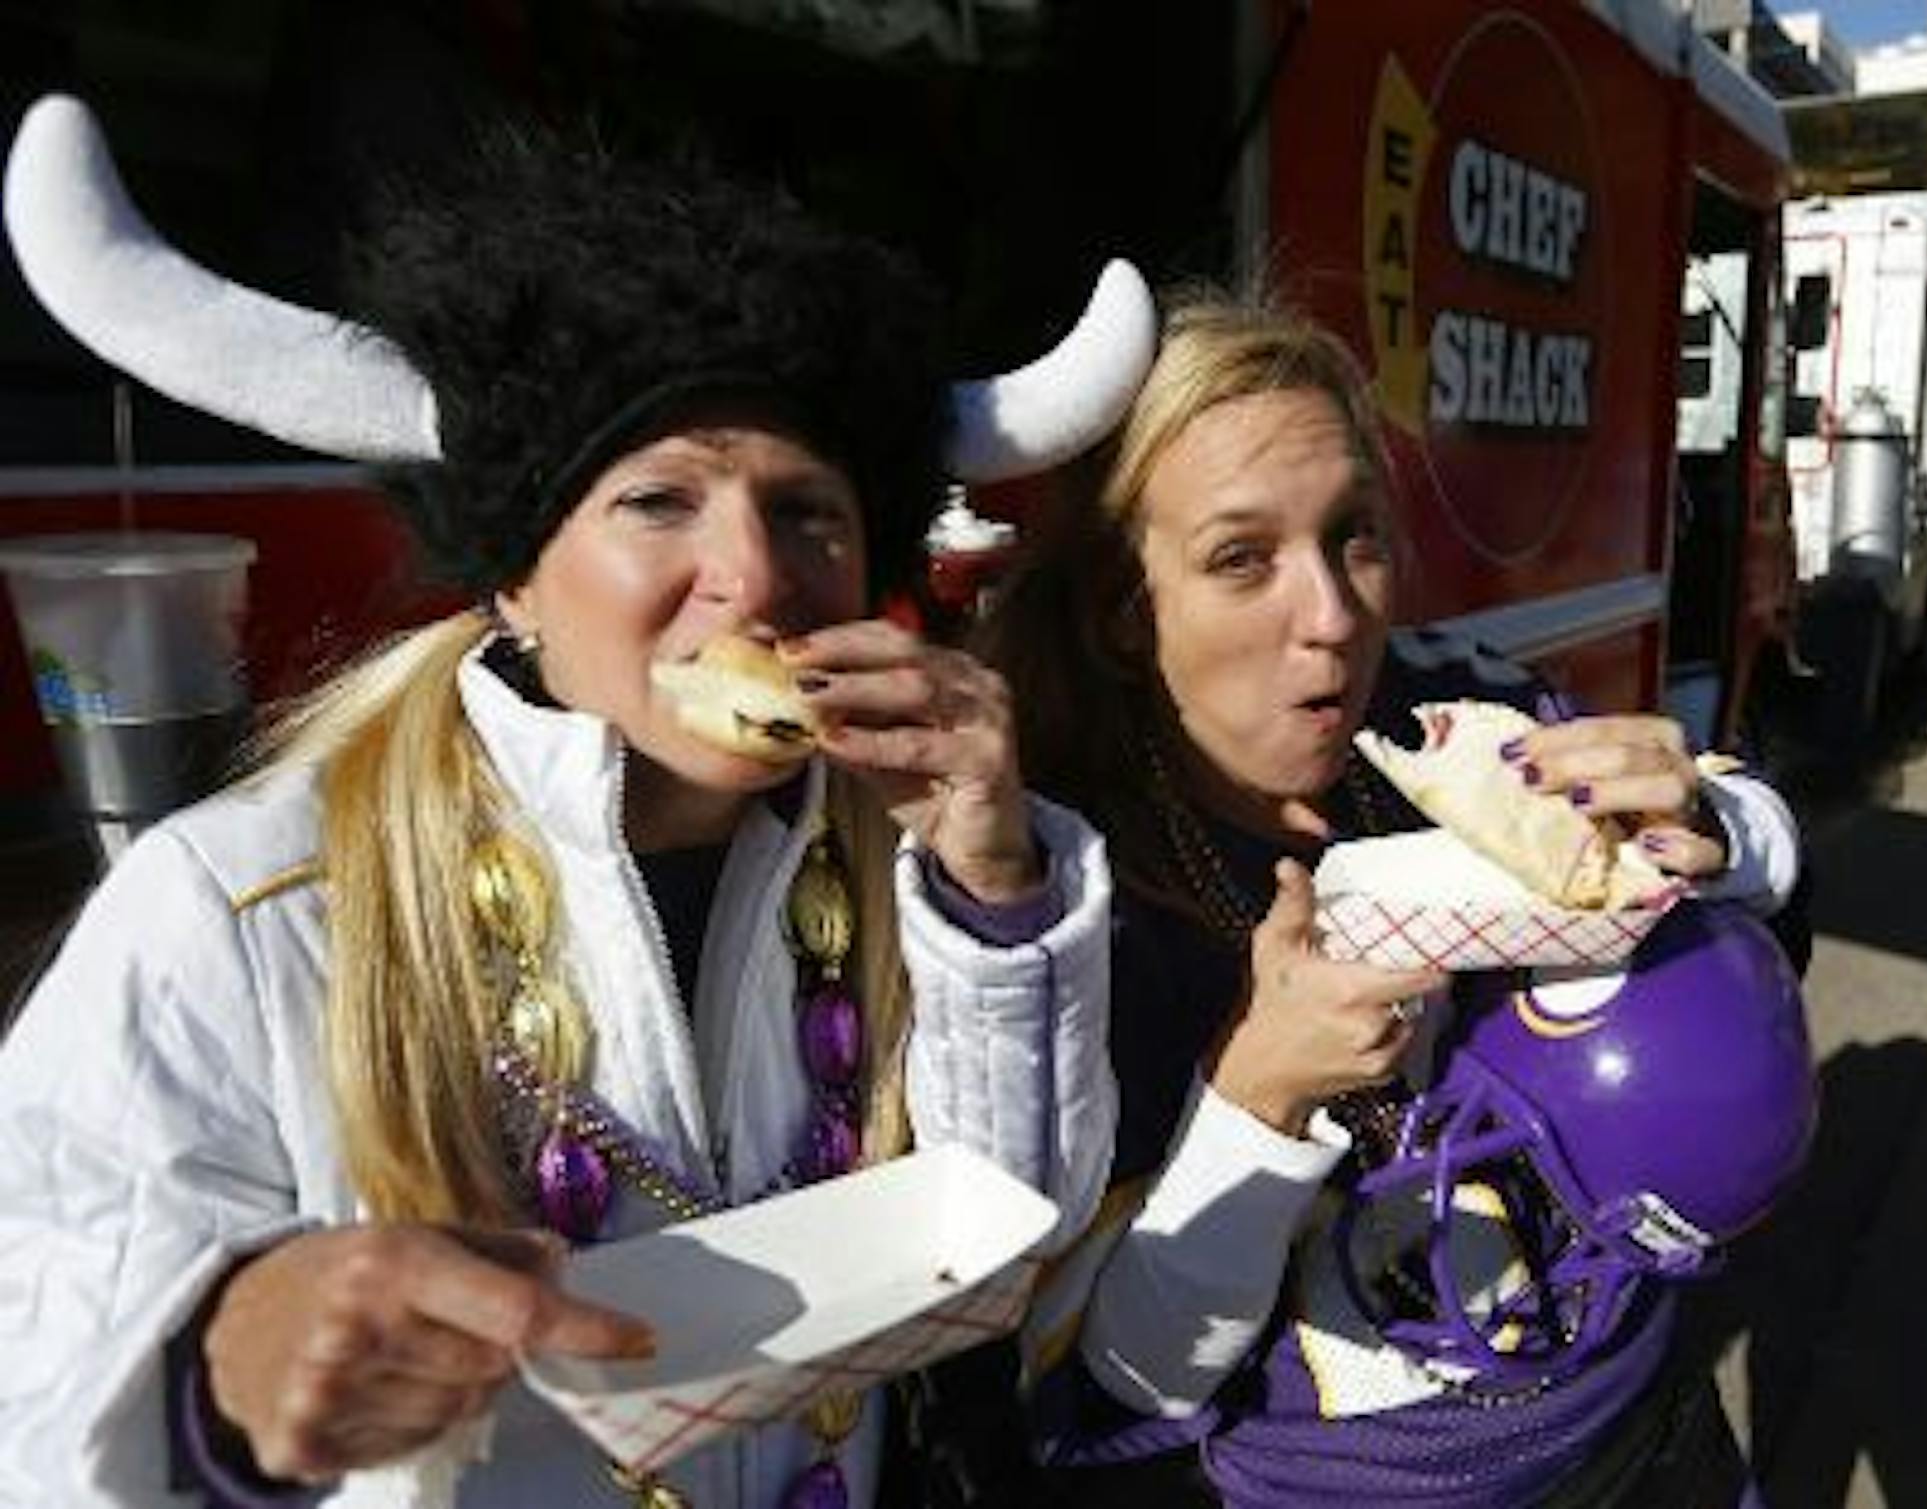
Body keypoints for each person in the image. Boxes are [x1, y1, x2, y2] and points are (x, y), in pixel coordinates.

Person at [0, 97, 1154, 1508]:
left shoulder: (901, 855)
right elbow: (32, 1370)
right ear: (515, 576)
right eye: (659, 501)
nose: (754, 577)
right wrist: (211, 1375)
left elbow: (1004, 1246)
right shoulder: (244, 905)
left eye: (808, 511)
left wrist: (995, 892)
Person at [975, 295, 1809, 1507]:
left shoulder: (1451, 710)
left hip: (1641, 1433)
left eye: (1354, 535)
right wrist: (1255, 1097)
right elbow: (1119, 1392)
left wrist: (1713, 824)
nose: (1332, 618)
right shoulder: (1060, 908)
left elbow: (1763, 851)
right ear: (1123, 610)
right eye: (1242, 559)